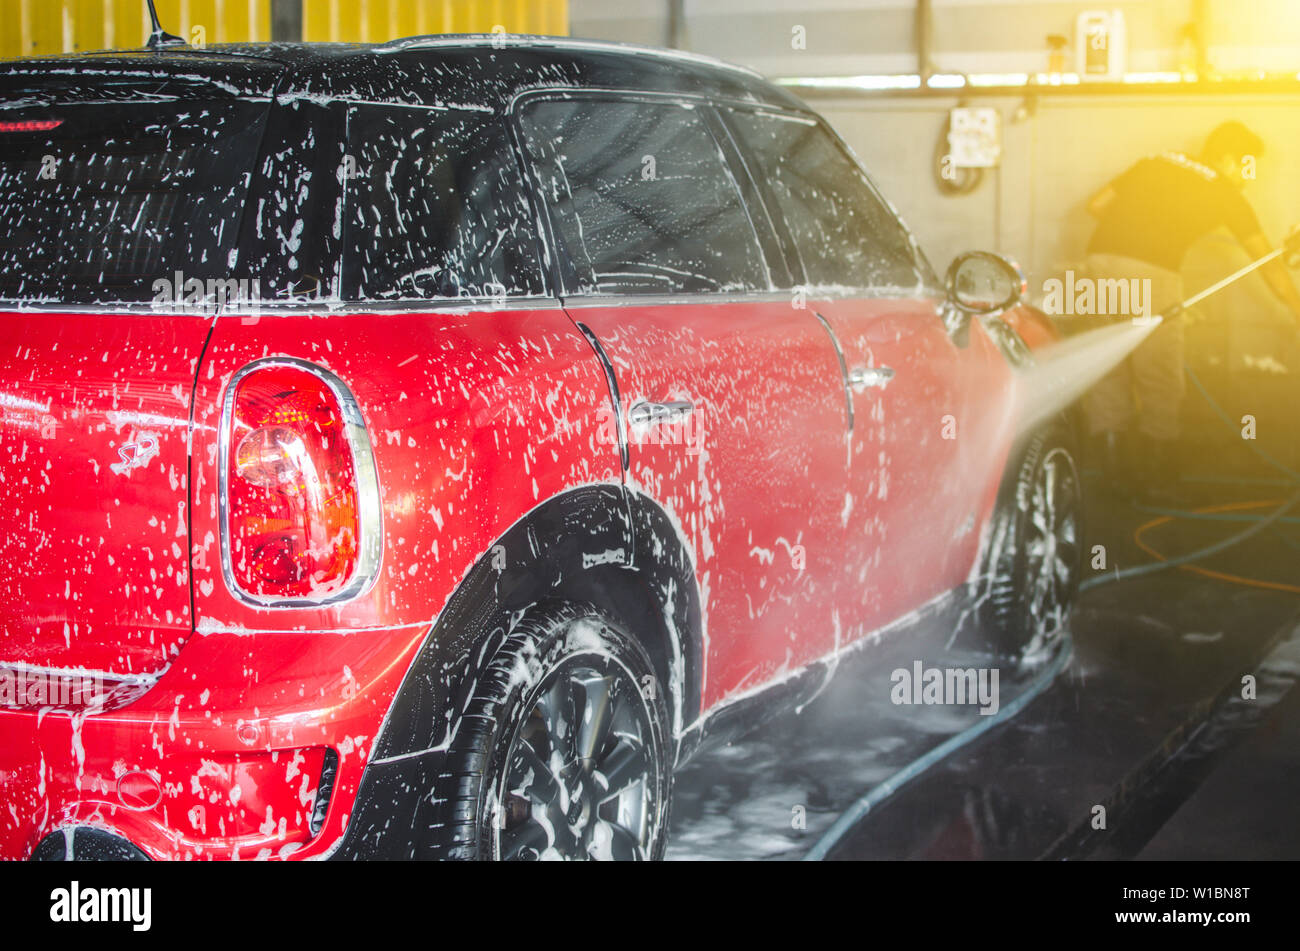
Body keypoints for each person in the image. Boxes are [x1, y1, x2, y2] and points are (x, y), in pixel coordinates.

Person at [1082, 121, 1300, 503]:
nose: (1249, 176)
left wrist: (1139, 231)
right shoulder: (1225, 191)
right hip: (1152, 272)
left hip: (1098, 262)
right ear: (1228, 158)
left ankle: (1110, 475)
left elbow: (1096, 205)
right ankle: (1156, 478)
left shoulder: (1155, 161)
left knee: (1107, 362)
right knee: (1159, 370)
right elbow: (1267, 263)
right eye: (1247, 166)